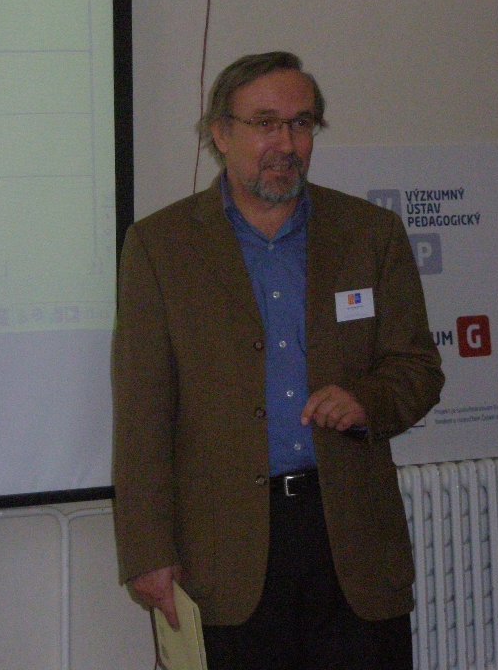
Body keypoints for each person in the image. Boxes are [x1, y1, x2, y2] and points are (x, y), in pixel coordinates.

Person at [112, 51, 444, 670]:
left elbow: (418, 367)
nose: (286, 144)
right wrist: (147, 551)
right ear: (221, 133)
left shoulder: (370, 234)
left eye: (301, 123)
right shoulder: (161, 247)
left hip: (350, 538)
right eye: (265, 123)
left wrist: (366, 401)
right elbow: (142, 414)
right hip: (225, 549)